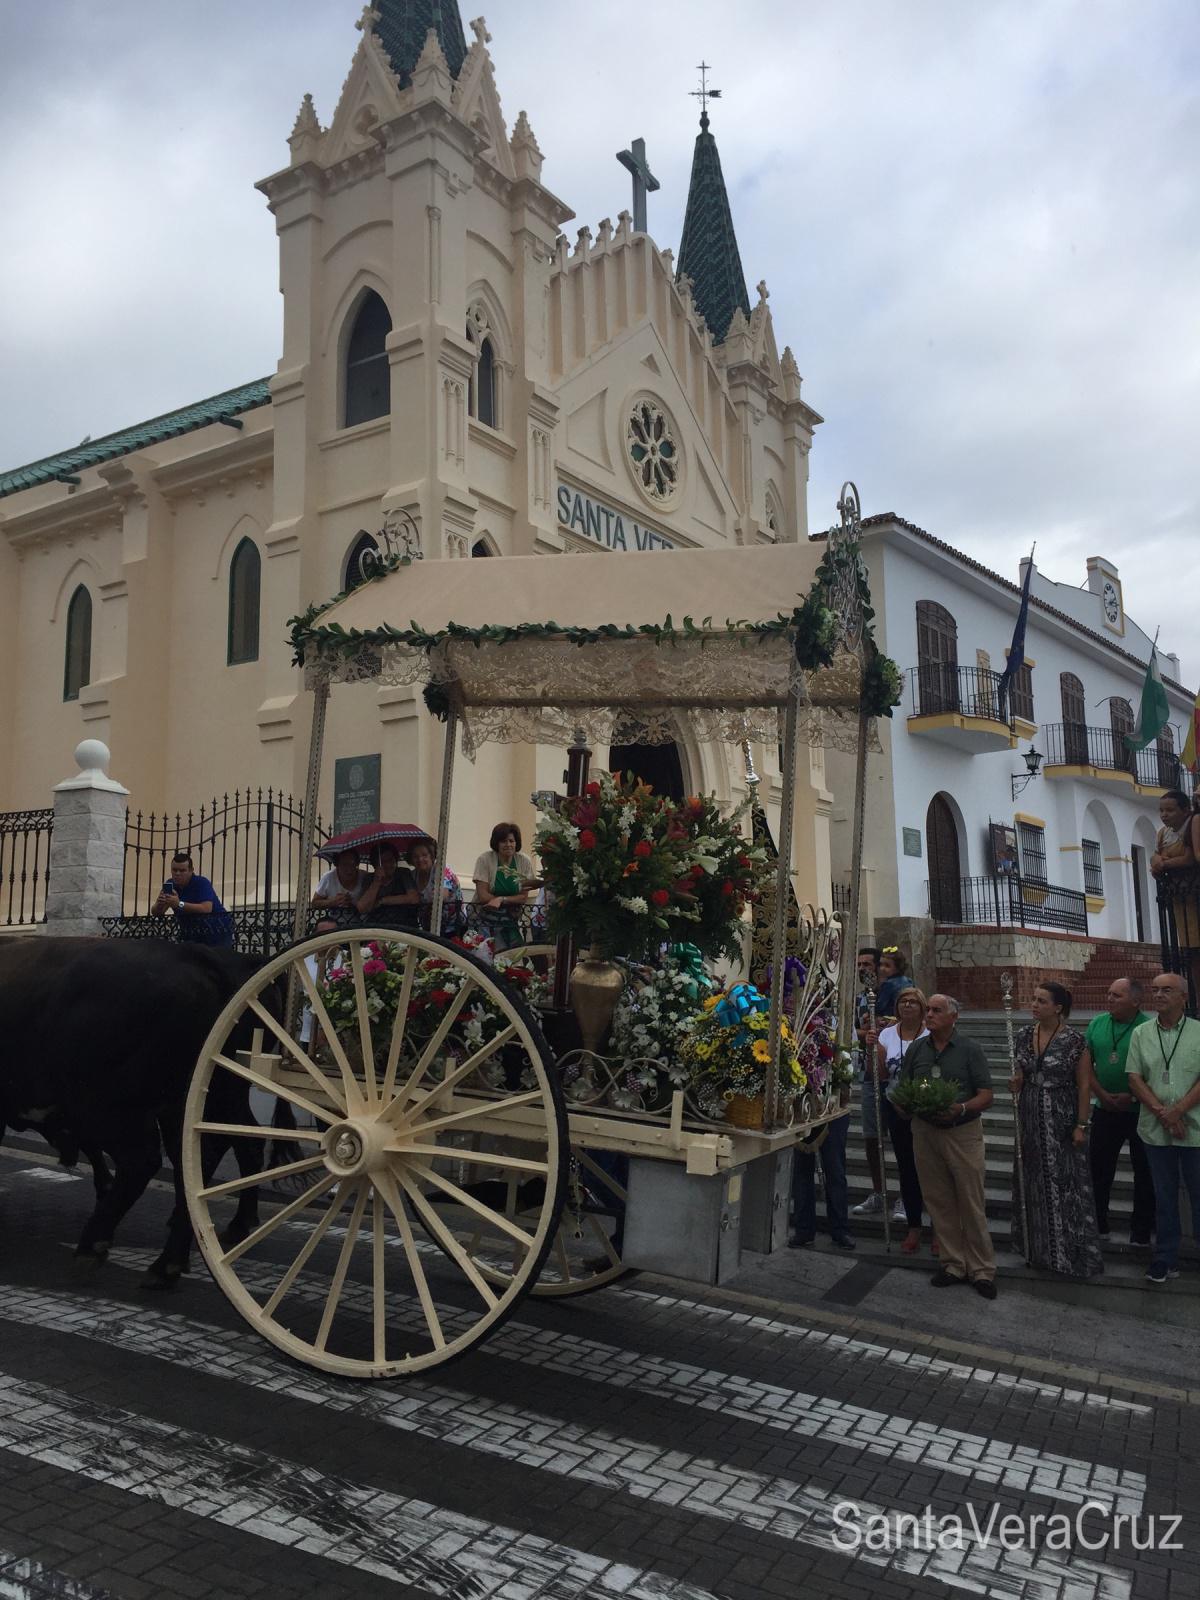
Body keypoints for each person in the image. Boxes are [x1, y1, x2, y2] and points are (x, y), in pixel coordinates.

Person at [895, 994, 997, 1298]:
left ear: (954, 1017)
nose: (929, 1015)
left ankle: (982, 1269)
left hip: (961, 1131)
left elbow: (987, 1094)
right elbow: (905, 1085)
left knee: (970, 1200)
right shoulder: (917, 1048)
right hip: (925, 1131)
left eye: (937, 1011)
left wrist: (962, 1108)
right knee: (938, 1200)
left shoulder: (969, 1050)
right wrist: (905, 1104)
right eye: (929, 1010)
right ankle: (953, 1263)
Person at [1008, 983, 1103, 1278]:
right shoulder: (1024, 1035)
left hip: (1062, 1117)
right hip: (1030, 1115)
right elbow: (1023, 1070)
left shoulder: (1075, 1041)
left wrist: (1082, 1124)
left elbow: (1085, 1085)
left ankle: (1070, 1256)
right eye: (1033, 999)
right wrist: (1018, 1081)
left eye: (1041, 1001)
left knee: (1067, 1187)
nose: (1034, 1005)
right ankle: (1038, 1252)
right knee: (1033, 1183)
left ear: (1058, 1007)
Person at [1126, 972, 1200, 1285]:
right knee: (1164, 1197)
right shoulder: (1141, 1033)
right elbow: (1134, 1077)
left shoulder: (1198, 1032)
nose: (1159, 996)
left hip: (1195, 1130)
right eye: (1155, 991)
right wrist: (1163, 1113)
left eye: (1166, 990)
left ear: (1184, 997)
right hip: (1156, 1130)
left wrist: (1179, 1111)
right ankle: (1164, 1258)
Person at [1083, 978, 1155, 1248]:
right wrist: (1100, 1094)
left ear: (1135, 1001)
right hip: (1105, 1109)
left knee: (1144, 1171)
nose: (1110, 999)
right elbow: (1086, 1063)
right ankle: (1098, 1222)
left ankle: (1141, 1230)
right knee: (1099, 1169)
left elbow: (1155, 1070)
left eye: (1117, 995)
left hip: (1141, 1111)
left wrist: (1134, 1095)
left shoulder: (1148, 1027)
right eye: (1109, 994)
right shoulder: (1097, 1023)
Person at [875, 987, 930, 1255]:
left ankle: (941, 1229)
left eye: (913, 1002)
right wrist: (873, 1048)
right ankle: (914, 1226)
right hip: (895, 1106)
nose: (907, 1006)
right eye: (903, 1002)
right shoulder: (887, 1034)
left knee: (932, 1169)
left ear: (922, 1008)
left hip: (926, 1108)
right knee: (907, 1167)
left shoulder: (930, 1034)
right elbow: (882, 1074)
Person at [1150, 789, 1199, 1002]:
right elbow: (1155, 855)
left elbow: (1190, 858)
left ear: (1185, 810)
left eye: (1170, 810)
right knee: (1189, 950)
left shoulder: (1192, 825)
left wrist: (1164, 863)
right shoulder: (1163, 833)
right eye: (1162, 810)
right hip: (1179, 897)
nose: (1164, 814)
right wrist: (1156, 862)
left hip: (1193, 893)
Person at [850, 947, 887, 1217]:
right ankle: (878, 1191)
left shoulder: (893, 994)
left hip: (894, 1074)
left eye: (867, 964)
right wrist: (865, 1033)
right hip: (867, 1073)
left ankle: (907, 1195)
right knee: (871, 1137)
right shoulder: (859, 999)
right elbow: (855, 1032)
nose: (863, 968)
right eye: (859, 964)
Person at [791, 1111, 855, 1251]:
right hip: (805, 1109)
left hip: (834, 1110)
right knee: (802, 1171)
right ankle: (803, 1229)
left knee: (835, 1170)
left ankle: (840, 1229)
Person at [473, 823, 538, 951]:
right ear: (496, 843)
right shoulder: (485, 859)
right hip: (484, 921)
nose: (508, 844)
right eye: (503, 841)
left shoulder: (524, 861)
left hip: (510, 922)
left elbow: (523, 897)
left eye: (511, 841)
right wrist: (508, 899)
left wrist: (501, 899)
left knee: (513, 958)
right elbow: (483, 896)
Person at [151, 851, 234, 946]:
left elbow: (206, 908)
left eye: (182, 871)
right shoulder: (170, 884)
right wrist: (159, 903)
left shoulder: (201, 882)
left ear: (191, 870)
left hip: (216, 931)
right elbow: (157, 912)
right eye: (174, 870)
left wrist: (179, 904)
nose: (177, 874)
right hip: (190, 932)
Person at [408, 838, 466, 937]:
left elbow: (442, 895)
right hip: (428, 927)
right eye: (415, 856)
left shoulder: (442, 869)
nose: (420, 859)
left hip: (453, 926)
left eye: (424, 855)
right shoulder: (413, 875)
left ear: (432, 856)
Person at [357, 842, 419, 927]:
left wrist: (382, 901)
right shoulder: (369, 878)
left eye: (391, 860)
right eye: (383, 862)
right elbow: (362, 908)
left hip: (403, 924)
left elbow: (413, 898)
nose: (388, 864)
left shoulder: (403, 873)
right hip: (377, 926)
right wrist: (376, 882)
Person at [311, 846, 371, 930]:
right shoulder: (328, 878)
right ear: (337, 864)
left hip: (362, 925)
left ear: (357, 864)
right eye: (344, 864)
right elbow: (315, 903)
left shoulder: (365, 877)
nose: (349, 869)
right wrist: (333, 901)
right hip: (335, 926)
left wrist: (353, 903)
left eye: (352, 864)